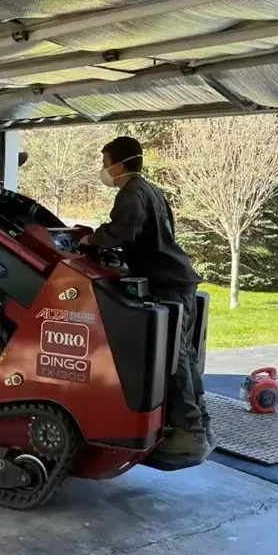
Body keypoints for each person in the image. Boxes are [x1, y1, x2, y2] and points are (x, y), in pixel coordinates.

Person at [79, 135, 212, 470]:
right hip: (177, 280)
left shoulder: (131, 193)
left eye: (106, 161)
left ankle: (189, 435)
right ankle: (199, 426)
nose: (104, 168)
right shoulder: (151, 189)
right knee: (185, 355)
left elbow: (122, 231)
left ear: (120, 164)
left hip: (166, 284)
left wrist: (90, 240)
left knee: (175, 358)